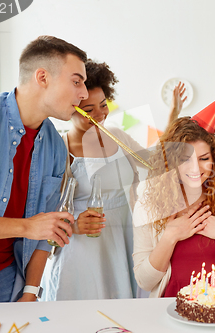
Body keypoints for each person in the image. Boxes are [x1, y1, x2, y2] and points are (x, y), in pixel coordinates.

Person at [0, 35, 88, 313]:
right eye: (77, 81)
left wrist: (31, 291)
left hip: (8, 285)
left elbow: (45, 230)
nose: (84, 93)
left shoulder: (55, 146)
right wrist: (27, 226)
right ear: (42, 77)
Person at [41, 60, 147, 300]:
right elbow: (44, 213)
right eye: (89, 111)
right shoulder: (60, 148)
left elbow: (155, 162)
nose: (100, 116)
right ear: (70, 108)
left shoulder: (118, 136)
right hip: (82, 249)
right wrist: (74, 225)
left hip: (122, 240)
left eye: (103, 105)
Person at [132, 117, 215, 297]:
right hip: (169, 306)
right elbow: (144, 281)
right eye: (185, 160)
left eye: (203, 158)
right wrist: (169, 237)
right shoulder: (147, 205)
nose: (196, 168)